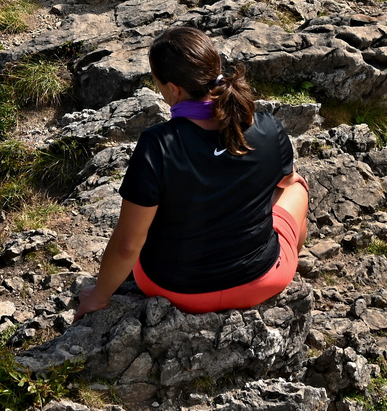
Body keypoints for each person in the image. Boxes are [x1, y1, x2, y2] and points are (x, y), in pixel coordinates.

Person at [75, 26, 309, 318]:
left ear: (173, 88)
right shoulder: (265, 127)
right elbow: (285, 182)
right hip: (262, 281)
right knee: (295, 186)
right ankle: (289, 255)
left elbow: (127, 245)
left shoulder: (158, 145)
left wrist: (97, 297)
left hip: (176, 291)